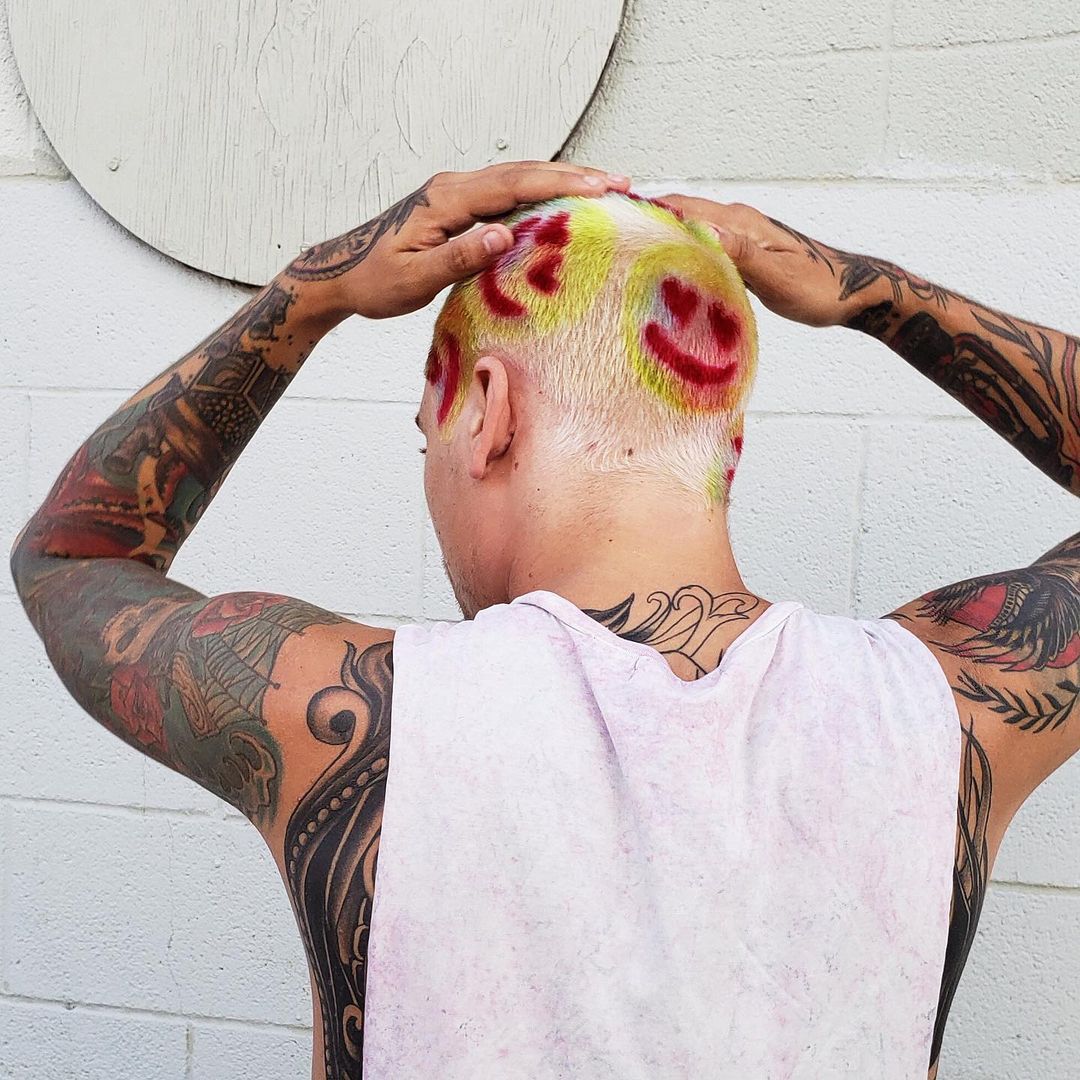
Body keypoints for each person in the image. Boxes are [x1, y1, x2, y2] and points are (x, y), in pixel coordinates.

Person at [10, 161, 1078, 1080]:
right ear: (729, 446)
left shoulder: (355, 721)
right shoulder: (944, 707)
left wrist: (309, 292)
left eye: (426, 434)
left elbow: (72, 557)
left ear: (487, 410)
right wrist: (871, 293)